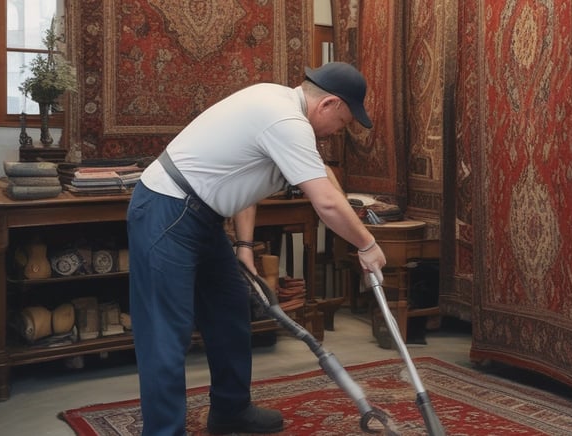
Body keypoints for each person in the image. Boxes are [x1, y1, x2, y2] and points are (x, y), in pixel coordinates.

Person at [126, 62, 387, 435]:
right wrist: (367, 244)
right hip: (168, 209)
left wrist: (244, 244)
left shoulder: (282, 110)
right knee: (167, 333)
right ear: (327, 104)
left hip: (201, 216)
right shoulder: (285, 121)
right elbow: (326, 203)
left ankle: (230, 411)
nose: (336, 133)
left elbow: (248, 181)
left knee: (231, 310)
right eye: (343, 123)